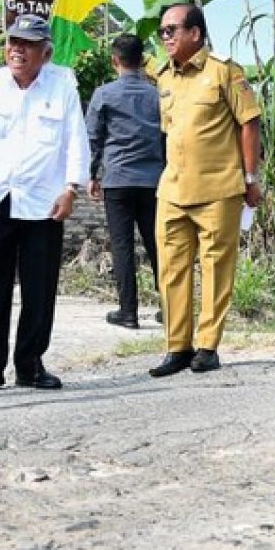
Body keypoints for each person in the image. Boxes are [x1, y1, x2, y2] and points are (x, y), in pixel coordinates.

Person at [0, 13, 90, 393]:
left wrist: (71, 189)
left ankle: (30, 364)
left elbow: (77, 142)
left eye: (27, 44)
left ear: (46, 52)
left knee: (39, 288)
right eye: (13, 42)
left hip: (44, 202)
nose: (17, 50)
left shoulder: (62, 90)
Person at [149, 3, 262, 378]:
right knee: (172, 269)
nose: (165, 37)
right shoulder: (165, 77)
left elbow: (249, 124)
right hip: (173, 189)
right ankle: (177, 347)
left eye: (171, 30)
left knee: (215, 269)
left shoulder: (224, 72)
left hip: (219, 188)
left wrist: (250, 179)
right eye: (162, 31)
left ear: (195, 33)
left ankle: (208, 346)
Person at [85, 33, 164, 329]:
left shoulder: (104, 94)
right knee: (158, 245)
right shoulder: (157, 95)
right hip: (154, 181)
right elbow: (168, 137)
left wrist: (92, 175)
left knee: (122, 245)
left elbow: (93, 138)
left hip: (117, 179)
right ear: (142, 61)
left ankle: (128, 312)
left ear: (115, 61)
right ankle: (170, 308)